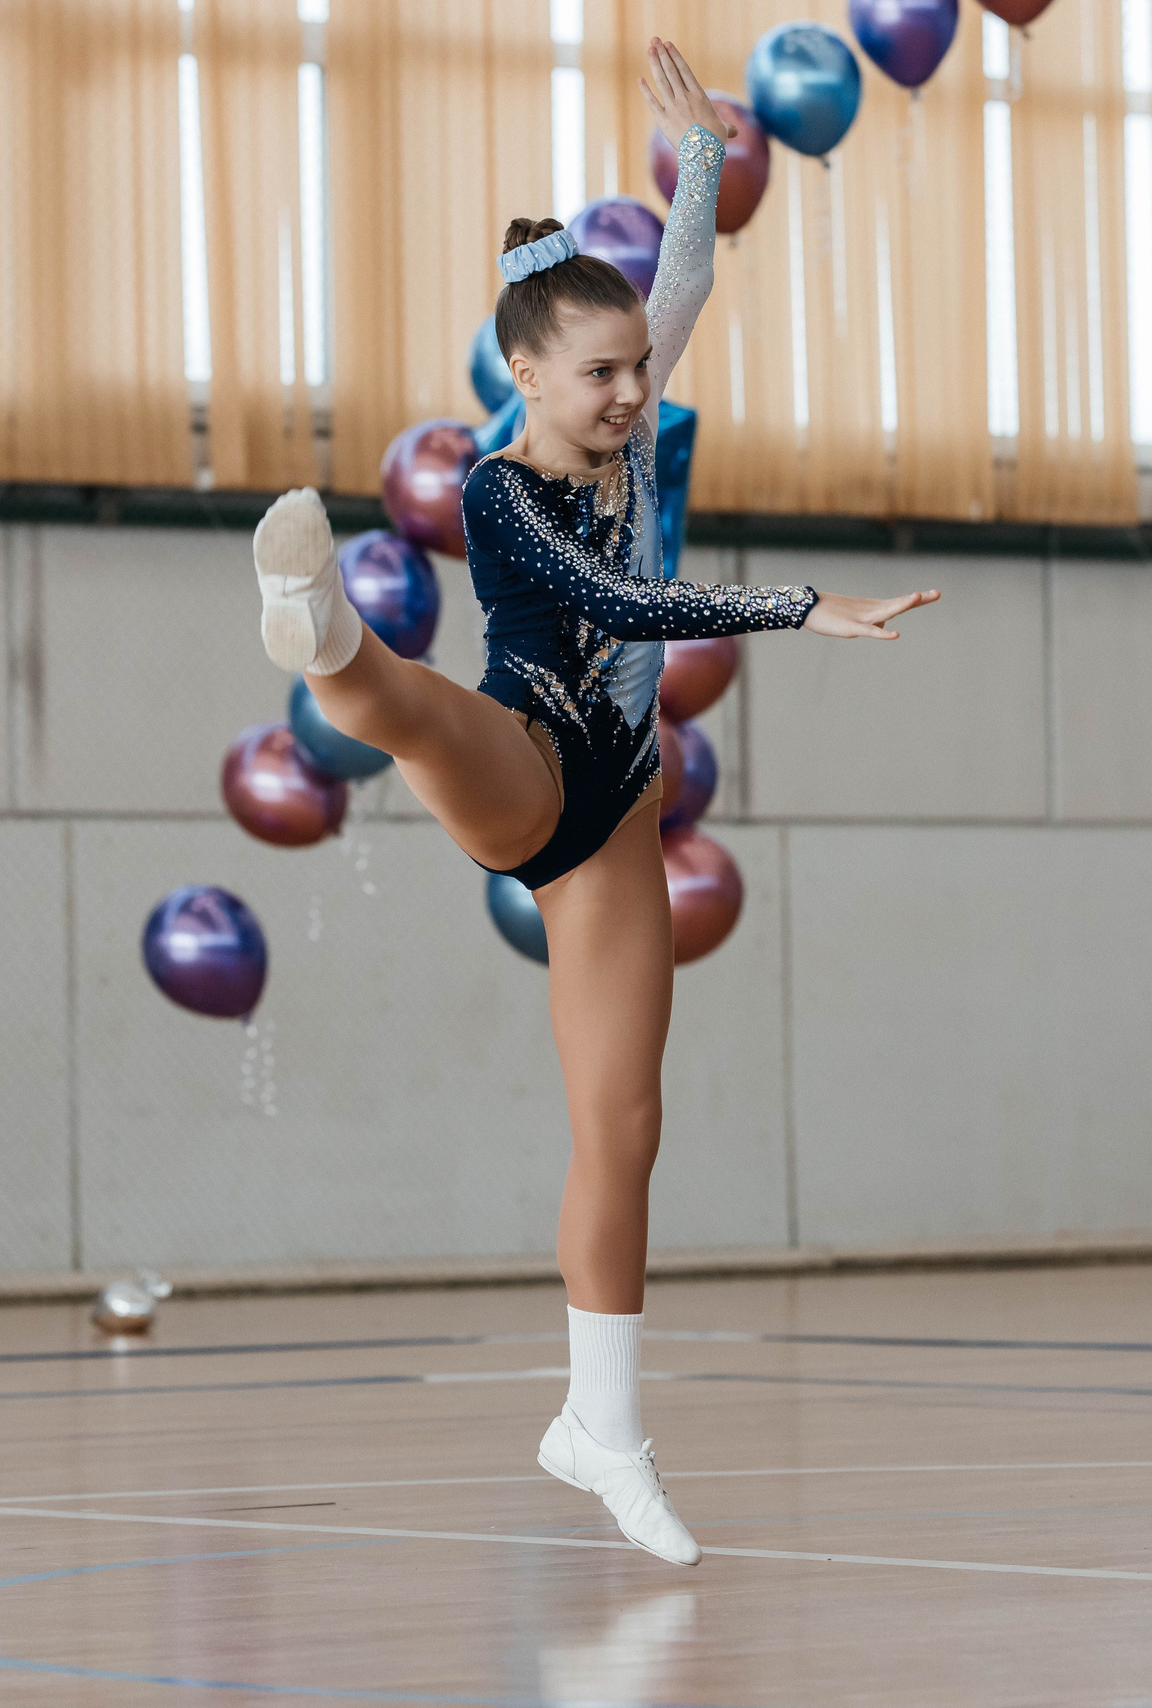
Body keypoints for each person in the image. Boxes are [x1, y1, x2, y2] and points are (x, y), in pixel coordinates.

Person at [245, 40, 938, 1566]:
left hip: (618, 818)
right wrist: (802, 604)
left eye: (637, 371)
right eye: (604, 375)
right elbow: (604, 603)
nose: (634, 392)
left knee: (622, 1127)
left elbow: (677, 293)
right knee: (423, 711)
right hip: (534, 767)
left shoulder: (624, 406)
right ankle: (327, 632)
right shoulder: (502, 492)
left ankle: (600, 1430)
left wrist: (698, 163)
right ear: (529, 380)